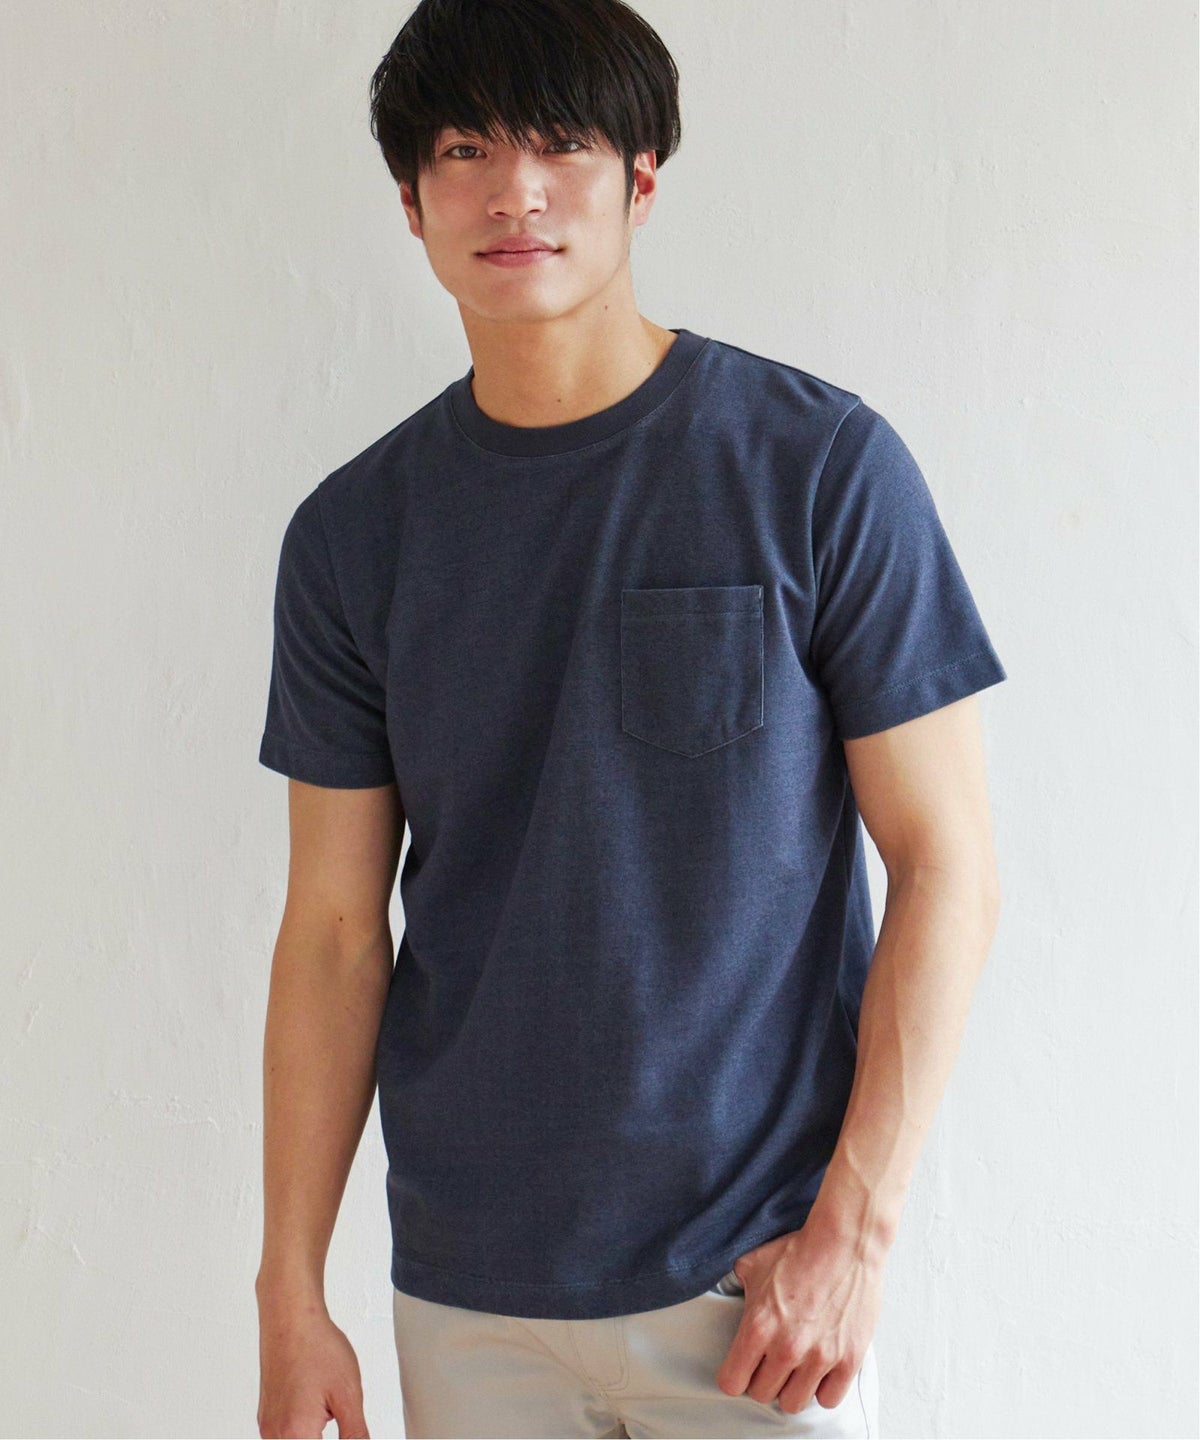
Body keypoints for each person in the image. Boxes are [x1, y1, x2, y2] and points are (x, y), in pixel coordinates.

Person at [253, 1, 1007, 1436]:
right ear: (410, 200)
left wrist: (854, 1236)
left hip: (755, 1291)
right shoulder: (354, 536)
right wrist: (291, 1293)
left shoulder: (816, 468)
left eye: (562, 145)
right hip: (469, 1294)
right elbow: (336, 931)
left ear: (641, 178)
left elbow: (948, 865)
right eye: (466, 151)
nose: (515, 192)